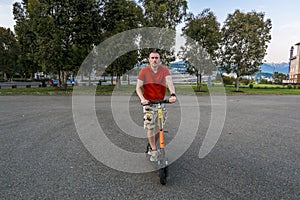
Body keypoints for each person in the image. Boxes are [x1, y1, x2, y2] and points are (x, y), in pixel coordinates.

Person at [136, 52, 177, 161]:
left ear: (159, 60)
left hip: (160, 103)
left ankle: (152, 144)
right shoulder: (144, 71)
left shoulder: (164, 70)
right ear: (149, 59)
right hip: (149, 104)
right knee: (150, 126)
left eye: (156, 58)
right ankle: (153, 150)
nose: (154, 60)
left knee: (159, 127)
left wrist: (172, 94)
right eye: (152, 58)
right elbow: (138, 88)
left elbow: (169, 82)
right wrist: (143, 99)